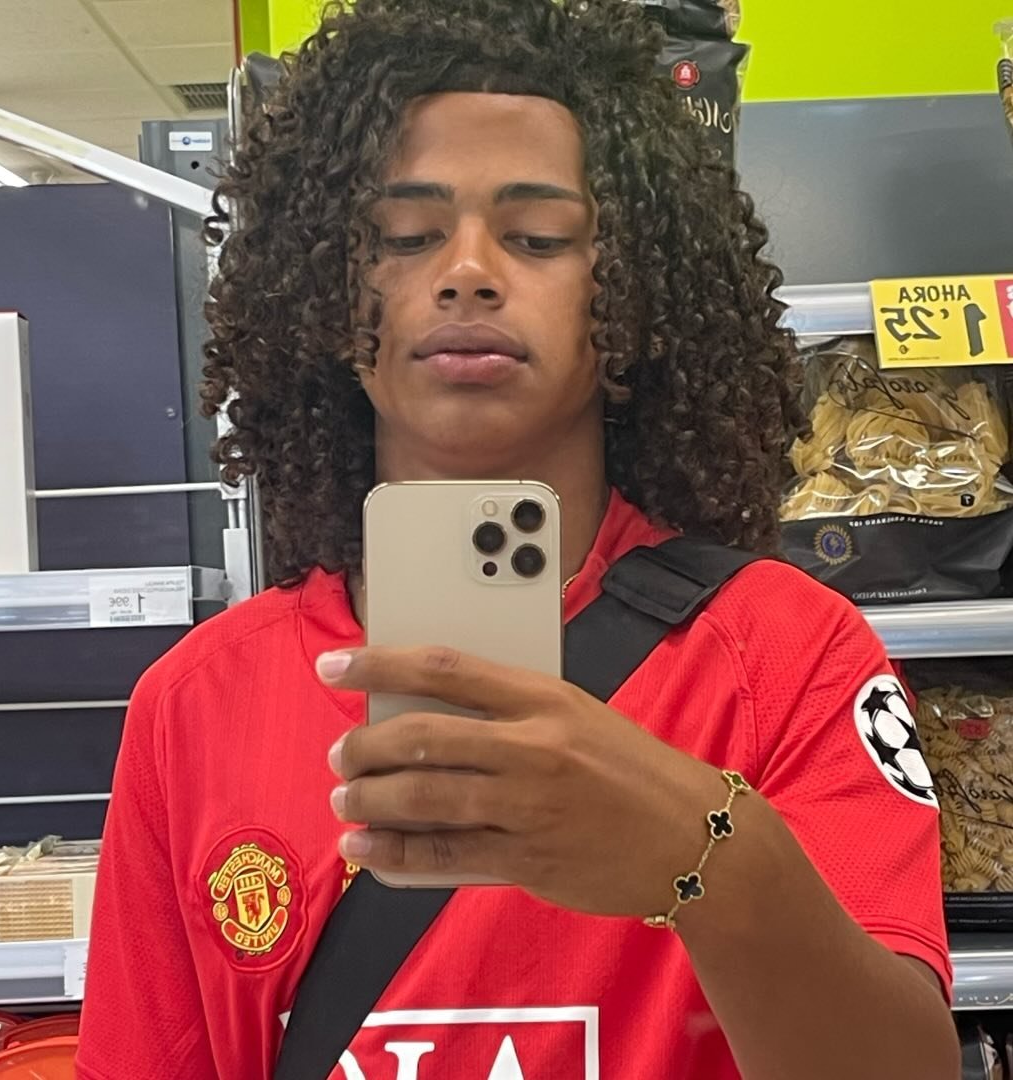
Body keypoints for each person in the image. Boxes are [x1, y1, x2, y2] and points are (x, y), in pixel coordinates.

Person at [76, 2, 959, 1077]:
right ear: (321, 292)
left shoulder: (788, 655)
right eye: (405, 236)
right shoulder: (197, 703)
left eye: (538, 237)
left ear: (632, 291)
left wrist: (708, 860)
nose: (468, 270)